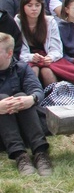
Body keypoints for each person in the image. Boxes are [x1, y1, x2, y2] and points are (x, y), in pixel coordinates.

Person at [0, 33, 53, 176]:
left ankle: (40, 153)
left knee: (22, 97)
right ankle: (20, 155)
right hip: (2, 129)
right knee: (3, 99)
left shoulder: (21, 68)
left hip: (25, 124)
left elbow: (37, 90)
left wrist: (31, 99)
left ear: (9, 53)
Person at [15, 0, 63, 87]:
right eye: (30, 5)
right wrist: (31, 57)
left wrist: (50, 57)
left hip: (46, 57)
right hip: (26, 58)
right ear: (23, 7)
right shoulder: (17, 22)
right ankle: (33, 98)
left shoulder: (49, 21)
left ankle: (54, 98)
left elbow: (56, 47)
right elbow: (17, 51)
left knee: (47, 72)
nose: (34, 9)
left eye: (37, 5)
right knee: (33, 70)